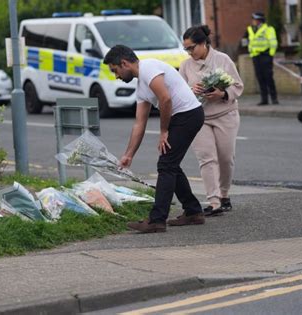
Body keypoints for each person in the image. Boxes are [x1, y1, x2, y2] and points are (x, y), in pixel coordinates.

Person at [103, 45, 205, 233]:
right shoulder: (141, 86)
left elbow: (165, 99)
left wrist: (164, 131)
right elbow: (139, 124)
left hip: (188, 115)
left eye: (115, 70)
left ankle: (157, 220)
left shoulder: (148, 67)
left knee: (166, 165)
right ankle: (193, 211)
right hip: (182, 116)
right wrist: (129, 154)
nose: (115, 76)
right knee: (170, 163)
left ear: (124, 63)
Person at [180, 25, 244, 216]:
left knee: (226, 158)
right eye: (186, 49)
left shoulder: (223, 60)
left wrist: (222, 93)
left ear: (204, 43)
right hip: (199, 118)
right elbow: (180, 92)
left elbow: (238, 86)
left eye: (192, 48)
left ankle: (224, 195)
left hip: (225, 115)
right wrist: (192, 91)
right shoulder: (185, 66)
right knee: (207, 159)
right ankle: (214, 201)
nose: (190, 53)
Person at [246, 11, 278, 106]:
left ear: (260, 20)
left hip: (265, 56)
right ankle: (264, 99)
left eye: (254, 19)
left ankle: (274, 98)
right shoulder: (250, 29)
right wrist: (251, 53)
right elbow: (250, 42)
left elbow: (273, 43)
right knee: (260, 78)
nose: (253, 21)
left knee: (268, 77)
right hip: (256, 57)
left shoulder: (268, 29)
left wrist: (270, 55)